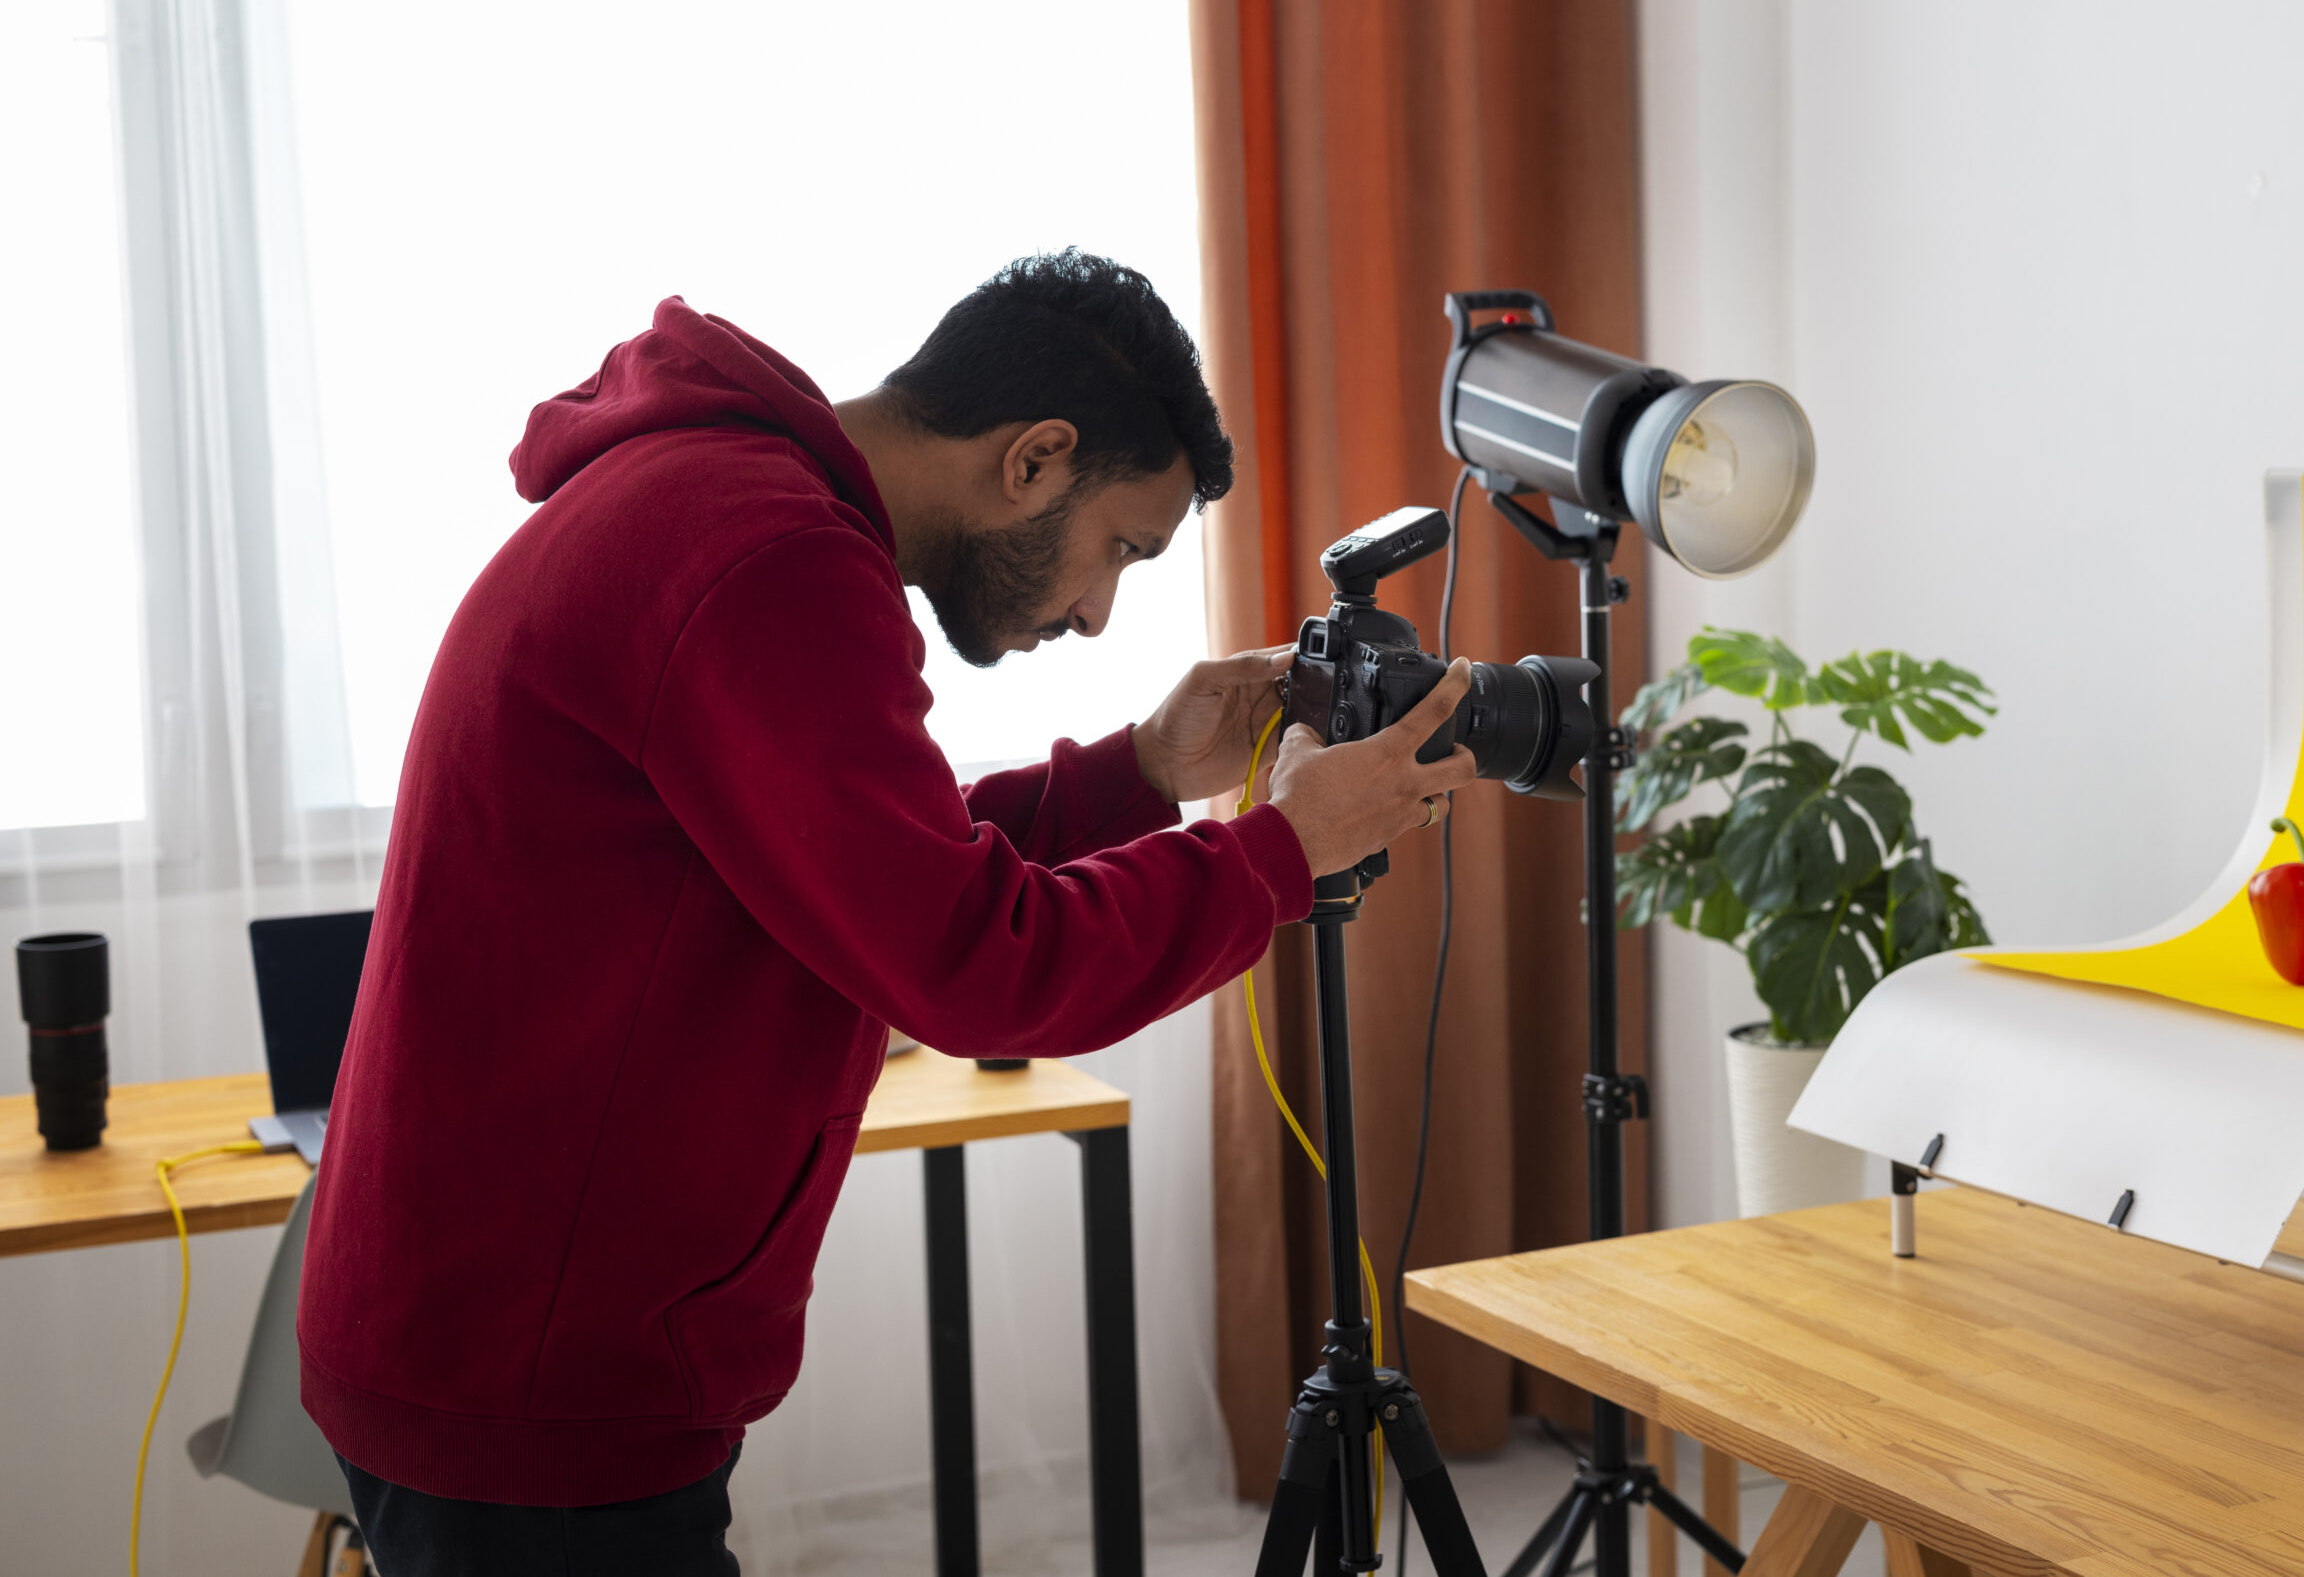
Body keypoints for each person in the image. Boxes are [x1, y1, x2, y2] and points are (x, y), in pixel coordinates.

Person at [296, 251, 1474, 1574]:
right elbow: (979, 968)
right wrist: (1283, 851)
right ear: (1033, 460)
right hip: (535, 1379)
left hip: (506, 1334)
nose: (1099, 613)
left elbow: (856, 860)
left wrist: (1140, 773)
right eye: (1119, 551)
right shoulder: (769, 558)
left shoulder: (716, 502)